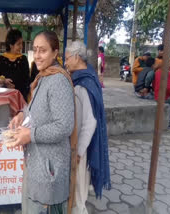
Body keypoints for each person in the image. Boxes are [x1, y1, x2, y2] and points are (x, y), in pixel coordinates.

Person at [8, 31, 75, 214]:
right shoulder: (44, 76)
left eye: (43, 50)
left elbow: (64, 126)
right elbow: (36, 109)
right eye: (35, 50)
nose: (37, 55)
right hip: (38, 164)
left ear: (55, 52)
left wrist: (31, 134)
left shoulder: (58, 81)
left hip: (49, 170)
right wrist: (22, 114)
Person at [65, 41, 111, 214]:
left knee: (77, 194)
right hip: (81, 145)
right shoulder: (87, 75)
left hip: (80, 148)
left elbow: (90, 122)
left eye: (68, 58)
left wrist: (78, 152)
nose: (66, 62)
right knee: (78, 189)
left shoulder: (83, 83)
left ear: (77, 57)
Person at [0, 29, 30, 101]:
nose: (21, 47)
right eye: (18, 44)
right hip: (3, 97)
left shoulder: (23, 59)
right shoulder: (1, 59)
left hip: (19, 97)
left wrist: (15, 87)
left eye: (21, 43)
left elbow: (26, 80)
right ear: (11, 45)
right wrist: (4, 82)